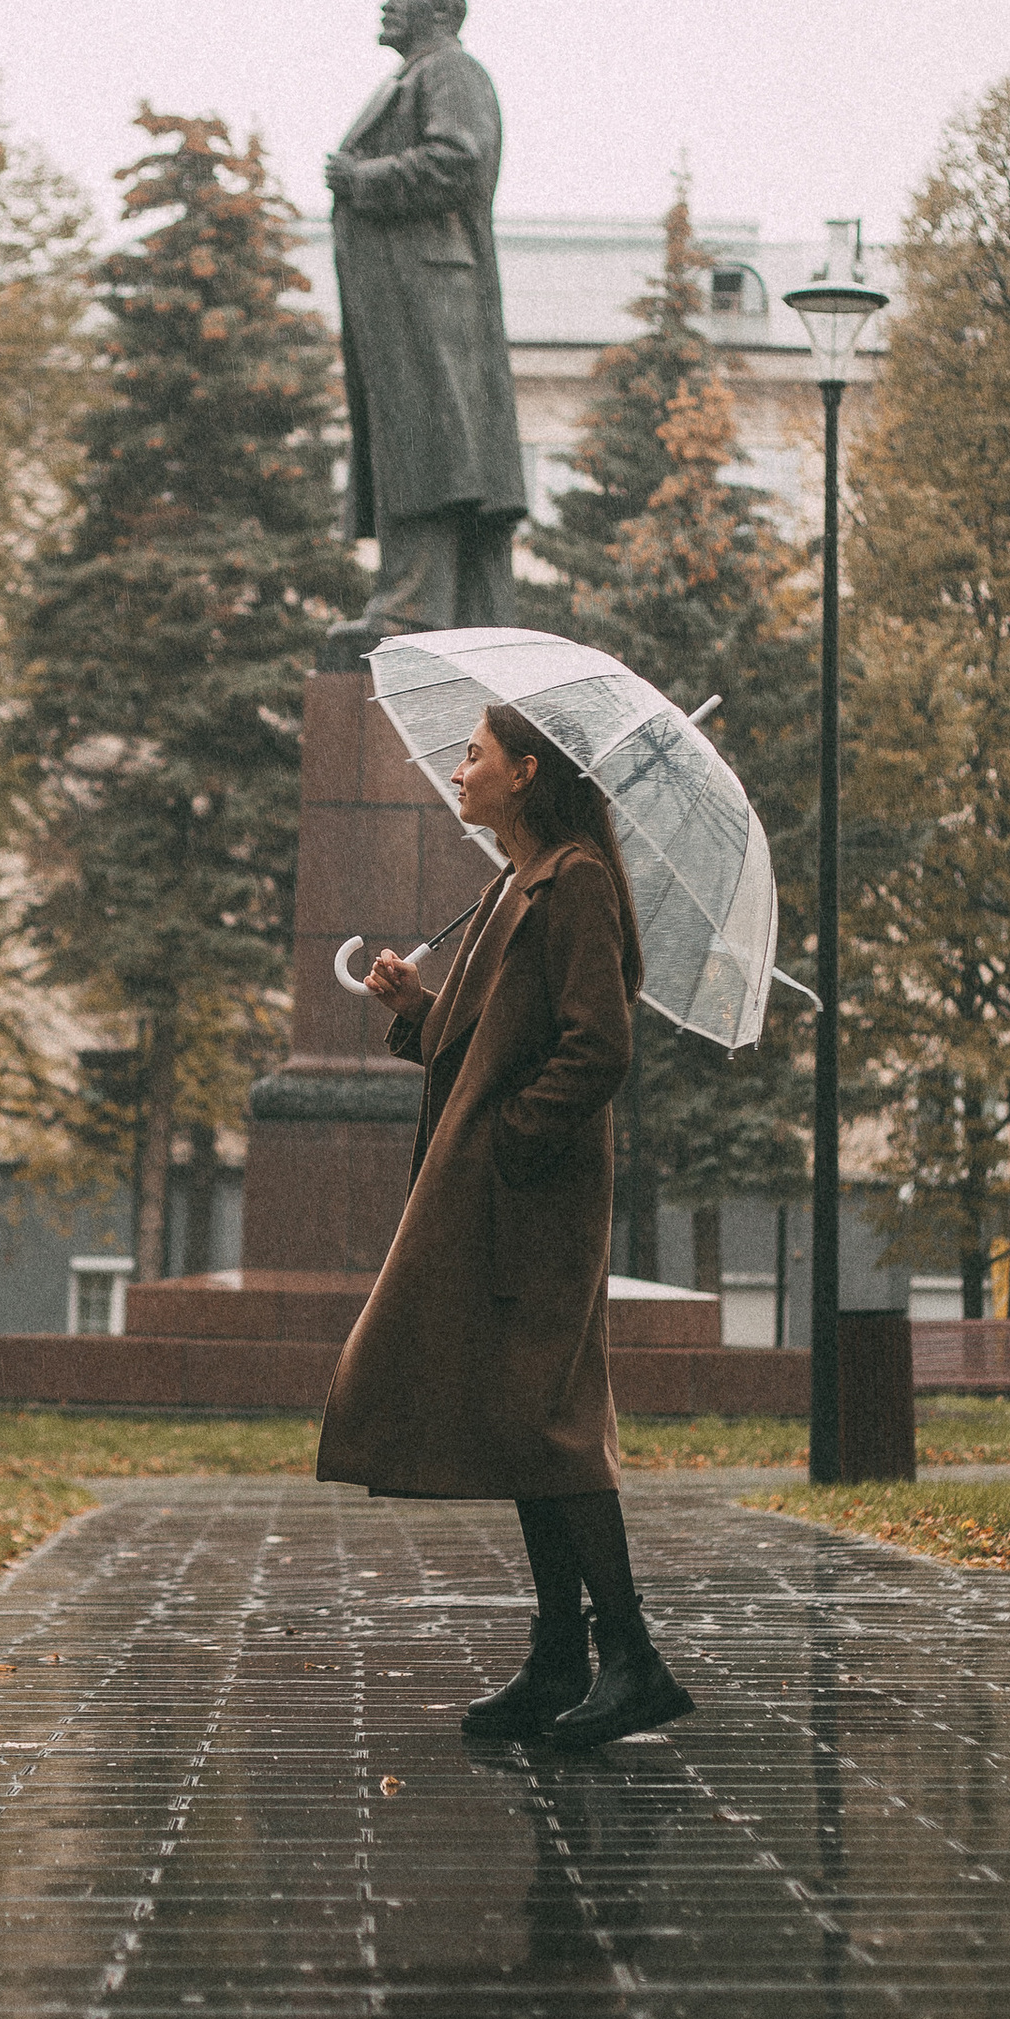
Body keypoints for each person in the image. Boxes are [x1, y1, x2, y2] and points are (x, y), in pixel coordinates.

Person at [314, 703, 693, 1748]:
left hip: (533, 1206)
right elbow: (487, 1047)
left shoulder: (573, 883)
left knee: (554, 1422)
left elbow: (597, 1047)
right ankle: (562, 1658)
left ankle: (630, 1659)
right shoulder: (511, 887)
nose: (459, 766)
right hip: (498, 1200)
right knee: (533, 1424)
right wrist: (416, 1005)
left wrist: (513, 1146)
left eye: (474, 753)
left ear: (526, 771)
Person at [321, 0, 528, 646]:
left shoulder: (452, 72)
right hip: (402, 300)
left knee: (433, 453)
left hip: (433, 298)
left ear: (441, 10)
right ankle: (426, 599)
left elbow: (459, 160)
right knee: (414, 447)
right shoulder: (412, 78)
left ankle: (414, 605)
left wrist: (363, 178)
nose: (385, 3)